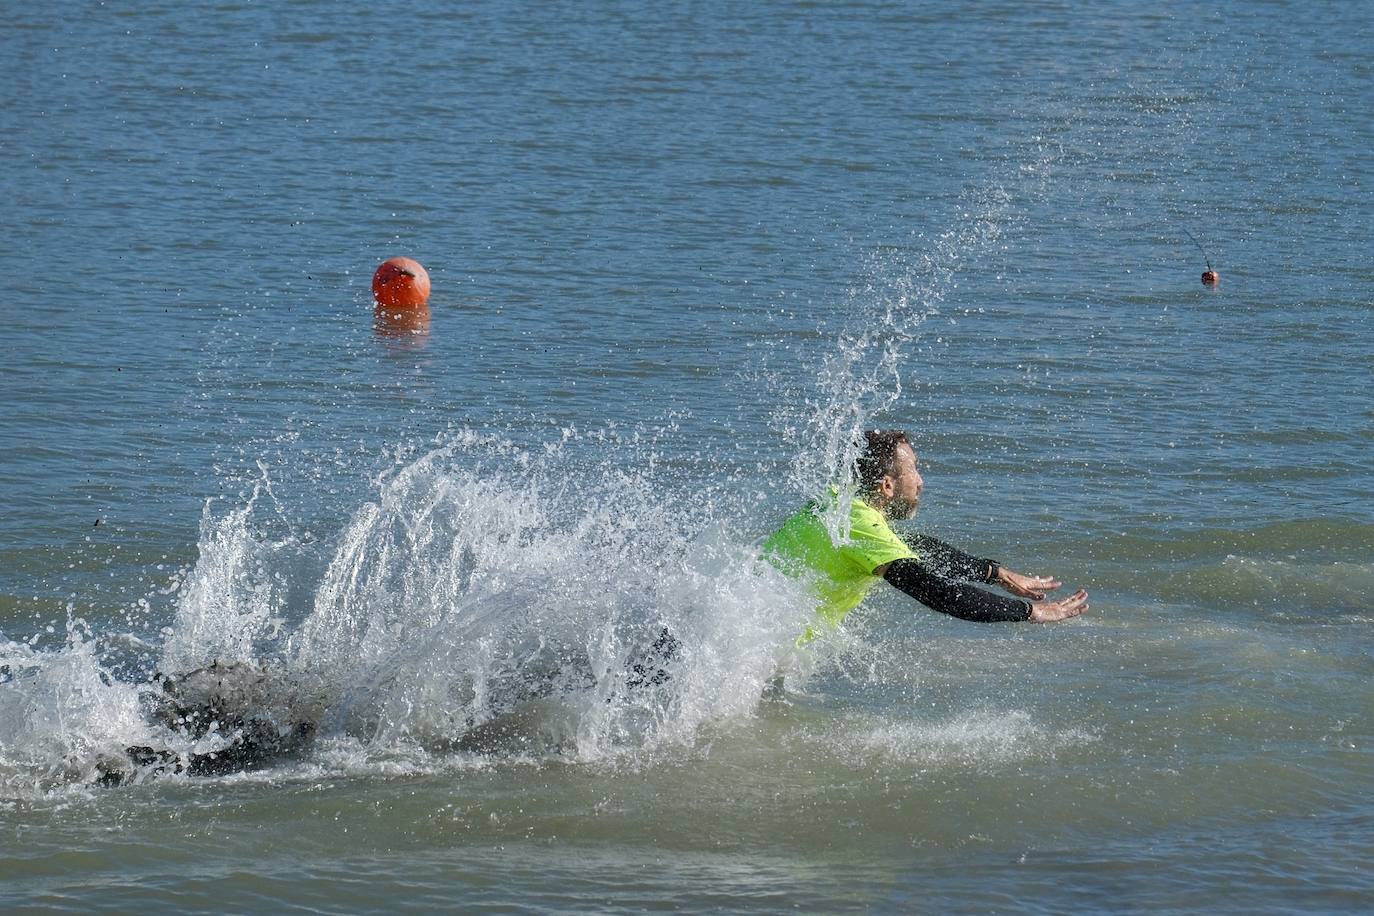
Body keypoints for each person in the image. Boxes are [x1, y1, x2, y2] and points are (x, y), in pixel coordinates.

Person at [764, 429, 1088, 635]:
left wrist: (994, 572)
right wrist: (1033, 611)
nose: (921, 482)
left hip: (752, 646)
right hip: (761, 660)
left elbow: (917, 547)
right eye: (914, 470)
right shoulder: (860, 525)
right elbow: (939, 593)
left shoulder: (840, 502)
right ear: (887, 485)